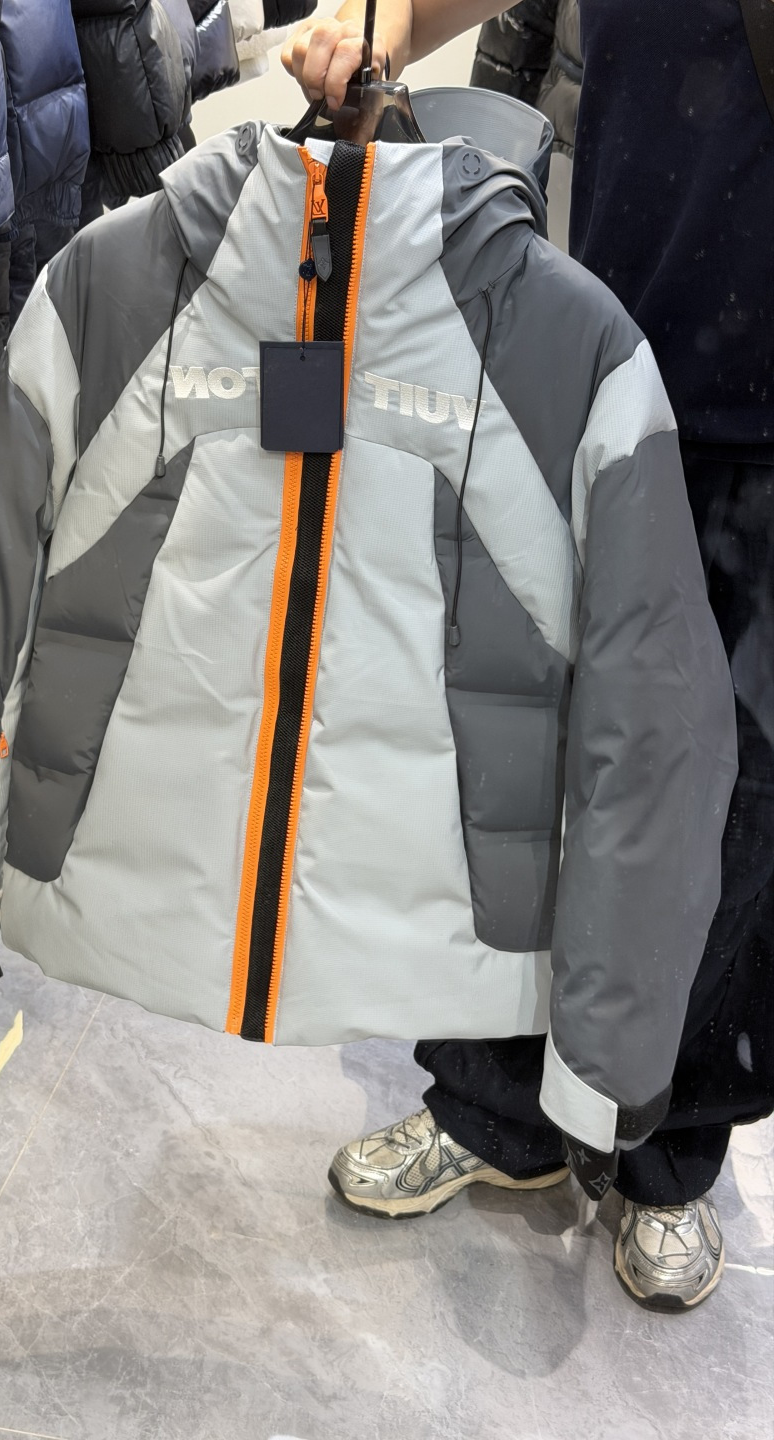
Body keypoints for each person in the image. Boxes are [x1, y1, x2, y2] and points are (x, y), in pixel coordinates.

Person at [283, 0, 774, 1311]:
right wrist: (380, 24)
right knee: (536, 739)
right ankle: (497, 1101)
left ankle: (667, 1141)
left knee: (736, 799)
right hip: (606, 339)